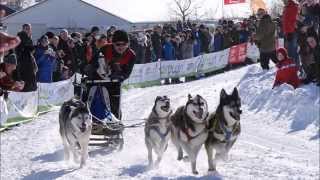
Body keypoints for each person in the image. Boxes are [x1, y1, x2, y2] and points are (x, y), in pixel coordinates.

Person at [89, 30, 136, 122]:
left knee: (114, 103)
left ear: (128, 44)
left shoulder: (131, 55)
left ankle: (115, 121)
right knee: (92, 98)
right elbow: (93, 63)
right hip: (98, 79)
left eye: (124, 44)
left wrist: (121, 77)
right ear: (113, 44)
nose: (121, 47)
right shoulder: (105, 49)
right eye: (118, 44)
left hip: (114, 82)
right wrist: (90, 70)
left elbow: (127, 73)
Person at [15, 24, 37, 92]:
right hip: (22, 63)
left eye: (29, 29)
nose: (28, 30)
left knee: (29, 84)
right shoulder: (21, 36)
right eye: (27, 29)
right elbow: (28, 49)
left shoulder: (28, 38)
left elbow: (32, 50)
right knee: (25, 84)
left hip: (28, 62)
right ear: (23, 29)